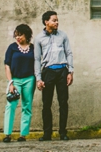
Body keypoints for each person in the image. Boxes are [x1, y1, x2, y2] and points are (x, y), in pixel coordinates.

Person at [34, 10, 74, 141]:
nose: (57, 22)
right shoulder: (39, 38)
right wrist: (38, 78)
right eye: (54, 20)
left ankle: (63, 132)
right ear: (46, 22)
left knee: (63, 102)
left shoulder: (63, 35)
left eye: (57, 20)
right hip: (48, 72)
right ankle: (47, 134)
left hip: (62, 70)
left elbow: (69, 53)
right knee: (46, 104)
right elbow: (37, 60)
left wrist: (70, 71)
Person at [3, 24, 36, 143]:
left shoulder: (33, 48)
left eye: (20, 35)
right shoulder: (12, 47)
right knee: (10, 106)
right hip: (15, 80)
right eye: (16, 35)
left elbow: (37, 64)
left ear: (26, 35)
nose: (18, 37)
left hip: (29, 79)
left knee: (27, 106)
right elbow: (7, 65)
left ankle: (23, 134)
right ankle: (7, 134)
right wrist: (10, 83)